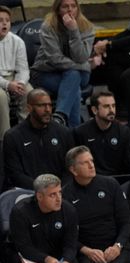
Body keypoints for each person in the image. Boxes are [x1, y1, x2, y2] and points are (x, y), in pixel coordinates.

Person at [31, 0, 94, 127]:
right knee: (74, 88)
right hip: (46, 72)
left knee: (73, 77)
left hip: (77, 75)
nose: (70, 9)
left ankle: (59, 119)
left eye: (73, 6)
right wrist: (84, 66)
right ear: (58, 9)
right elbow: (55, 59)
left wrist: (74, 31)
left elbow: (81, 56)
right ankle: (72, 132)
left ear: (78, 8)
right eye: (65, 6)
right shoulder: (48, 26)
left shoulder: (86, 27)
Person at [2, 89, 74, 191]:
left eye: (49, 105)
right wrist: (42, 189)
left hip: (60, 191)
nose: (48, 109)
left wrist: (58, 188)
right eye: (42, 105)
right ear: (29, 108)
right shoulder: (13, 136)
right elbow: (15, 174)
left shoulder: (63, 133)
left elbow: (70, 168)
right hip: (28, 192)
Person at [73, 90, 130, 177]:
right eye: (106, 106)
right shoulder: (80, 132)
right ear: (94, 110)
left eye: (113, 106)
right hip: (92, 181)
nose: (111, 110)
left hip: (118, 181)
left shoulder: (124, 132)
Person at [0, 5, 33, 137]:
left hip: (14, 78)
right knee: (1, 97)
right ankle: (5, 137)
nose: (4, 23)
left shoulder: (18, 41)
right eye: (0, 20)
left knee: (29, 92)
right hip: (1, 81)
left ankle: (25, 135)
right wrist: (8, 85)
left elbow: (23, 69)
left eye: (7, 20)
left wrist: (20, 84)